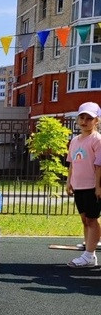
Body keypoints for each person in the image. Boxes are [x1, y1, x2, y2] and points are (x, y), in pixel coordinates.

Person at [65, 102, 101, 268]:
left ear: (97, 121)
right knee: (85, 220)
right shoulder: (74, 141)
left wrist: (98, 186)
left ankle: (90, 254)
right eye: (82, 117)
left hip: (92, 186)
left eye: (89, 118)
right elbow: (72, 163)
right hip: (79, 186)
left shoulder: (97, 140)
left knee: (92, 220)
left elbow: (99, 165)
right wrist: (69, 182)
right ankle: (89, 251)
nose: (85, 121)